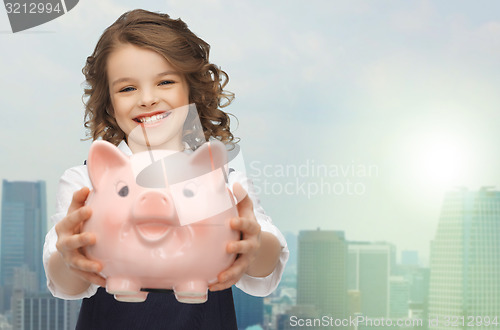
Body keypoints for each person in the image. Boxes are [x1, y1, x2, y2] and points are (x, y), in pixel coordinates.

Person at [42, 9, 289, 329]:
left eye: (165, 82)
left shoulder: (225, 182)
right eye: (127, 88)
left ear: (191, 89)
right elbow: (66, 285)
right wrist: (67, 254)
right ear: (109, 102)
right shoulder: (85, 182)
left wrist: (252, 244)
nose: (147, 99)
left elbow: (265, 268)